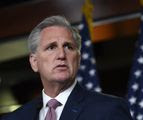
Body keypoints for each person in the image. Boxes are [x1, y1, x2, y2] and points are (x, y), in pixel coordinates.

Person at [1, 15, 133, 120]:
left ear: (78, 59)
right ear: (34, 62)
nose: (61, 55)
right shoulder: (14, 118)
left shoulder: (109, 110)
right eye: (51, 47)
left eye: (68, 47)